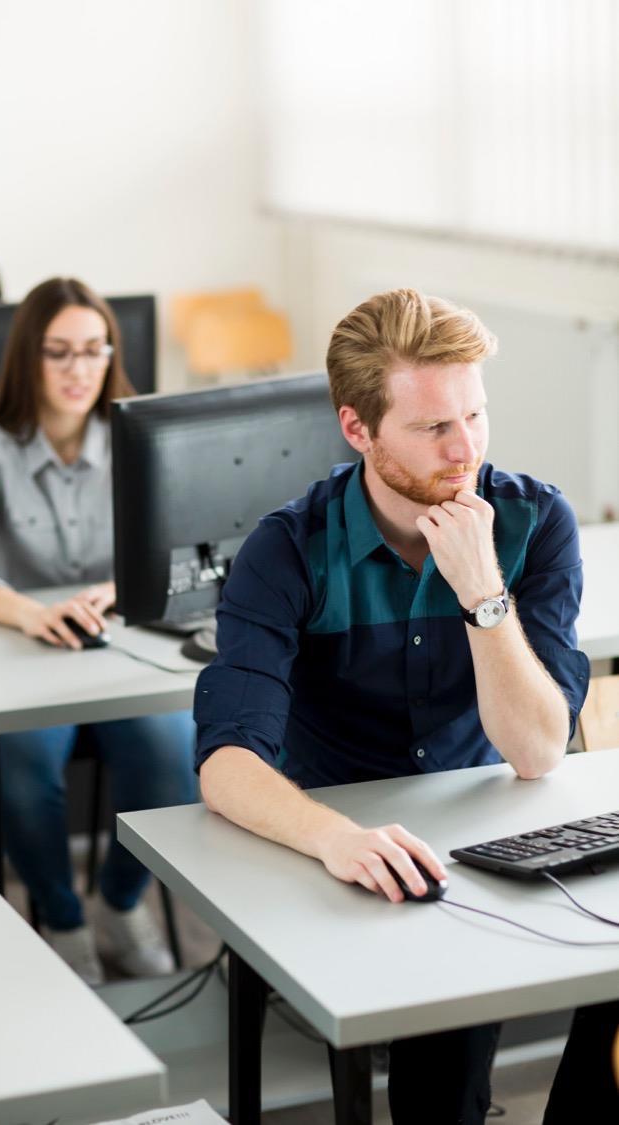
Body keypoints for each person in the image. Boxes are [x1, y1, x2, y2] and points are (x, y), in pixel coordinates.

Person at [194, 288, 590, 1125]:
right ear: (357, 428)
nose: (467, 448)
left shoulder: (534, 521)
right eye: (433, 427)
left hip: (484, 831)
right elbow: (228, 762)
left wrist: (482, 590)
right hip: (334, 844)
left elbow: (538, 752)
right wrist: (338, 837)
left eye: (476, 415)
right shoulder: (286, 549)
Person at [0, 277, 196, 986]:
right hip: (27, 657)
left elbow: (179, 549)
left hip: (119, 657)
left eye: (93, 351)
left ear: (111, 355)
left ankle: (121, 905)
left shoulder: (140, 444)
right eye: (59, 352)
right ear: (28, 359)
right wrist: (32, 610)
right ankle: (65, 922)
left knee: (177, 757)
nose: (78, 369)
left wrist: (118, 587)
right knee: (23, 776)